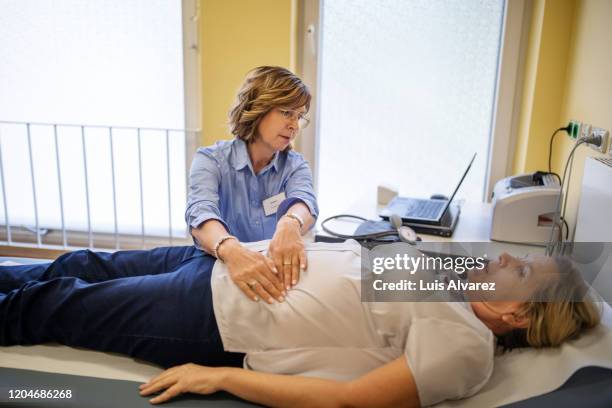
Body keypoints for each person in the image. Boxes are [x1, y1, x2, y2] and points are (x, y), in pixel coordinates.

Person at [0, 241, 600, 407]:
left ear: (519, 313)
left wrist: (219, 378)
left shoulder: (465, 346)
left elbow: (350, 402)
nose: (501, 258)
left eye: (519, 267)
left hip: (214, 317)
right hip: (222, 263)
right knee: (76, 264)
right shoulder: (455, 287)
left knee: (53, 304)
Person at [186, 66, 319, 304]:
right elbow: (200, 214)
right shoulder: (210, 160)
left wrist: (291, 223)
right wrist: (232, 251)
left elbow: (305, 202)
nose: (295, 125)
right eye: (287, 112)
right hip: (218, 270)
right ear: (257, 109)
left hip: (273, 277)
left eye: (299, 116)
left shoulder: (295, 166)